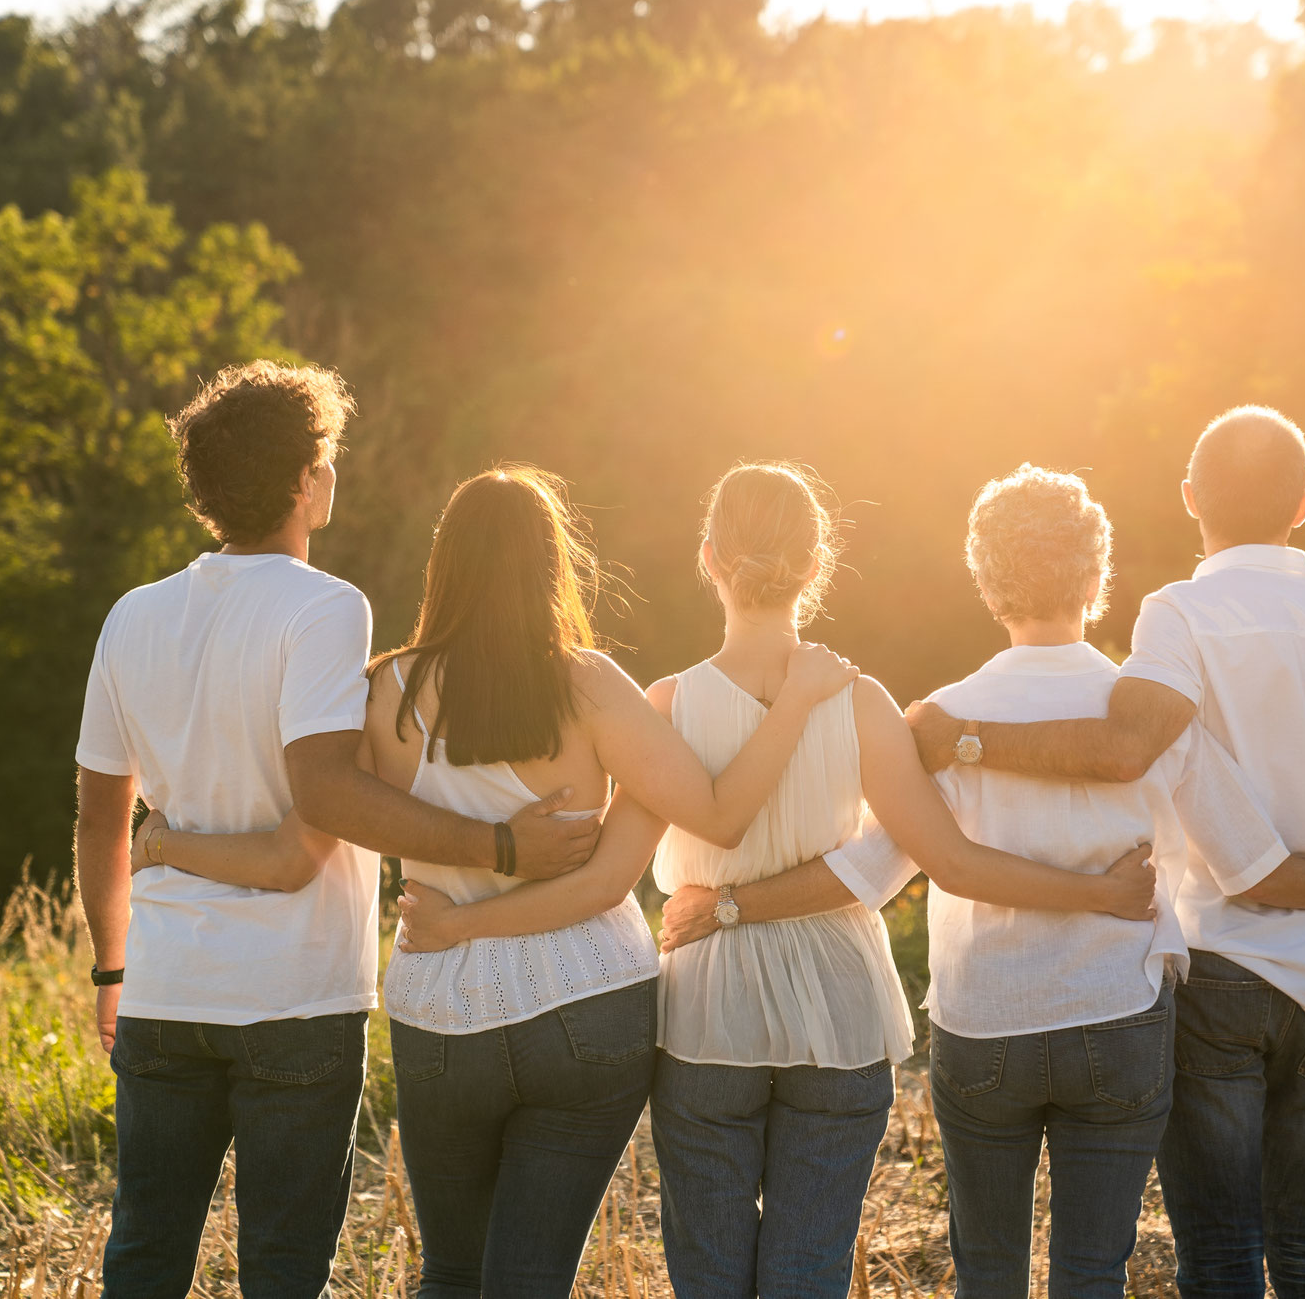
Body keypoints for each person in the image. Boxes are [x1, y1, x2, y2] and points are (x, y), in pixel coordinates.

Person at [397, 461, 1165, 1299]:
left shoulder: (665, 703)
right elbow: (951, 862)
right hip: (840, 1012)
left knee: (711, 1277)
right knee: (806, 1276)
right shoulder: (865, 702)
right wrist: (1097, 892)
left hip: (707, 1015)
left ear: (709, 560)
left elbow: (615, 870)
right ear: (816, 564)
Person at [136, 464, 858, 1298]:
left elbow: (311, 829)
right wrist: (792, 705)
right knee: (528, 1279)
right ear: (554, 567)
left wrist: (170, 839)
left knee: (449, 1269)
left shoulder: (384, 692)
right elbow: (719, 815)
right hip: (589, 1007)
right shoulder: (588, 683)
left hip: (445, 1016)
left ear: (445, 567)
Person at [656, 464, 1296, 1299]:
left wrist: (729, 907)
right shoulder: (1149, 710)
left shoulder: (940, 717)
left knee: (986, 1276)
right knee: (1092, 1271)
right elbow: (1250, 863)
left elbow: (870, 869)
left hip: (981, 1020)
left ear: (986, 585)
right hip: (1116, 1011)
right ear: (1097, 577)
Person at [73, 363, 601, 1299]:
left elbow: (101, 816)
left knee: (144, 1256)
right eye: (328, 460)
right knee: (283, 1269)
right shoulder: (324, 607)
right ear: (308, 482)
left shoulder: (130, 615)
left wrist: (114, 968)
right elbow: (324, 796)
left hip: (164, 985)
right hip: (295, 994)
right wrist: (503, 846)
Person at [904, 408, 1305, 1299]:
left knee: (1210, 1253)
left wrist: (966, 740)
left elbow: (1124, 749)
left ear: (1189, 500)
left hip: (1196, 976)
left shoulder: (1173, 618)